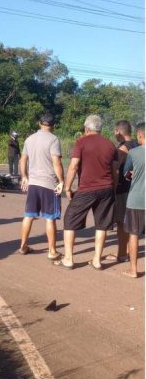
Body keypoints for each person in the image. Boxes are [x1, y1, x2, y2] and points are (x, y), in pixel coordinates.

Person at [57, 115, 120, 269]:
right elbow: (115, 171)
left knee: (70, 221)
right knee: (102, 225)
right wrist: (113, 188)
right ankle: (97, 260)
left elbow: (73, 166)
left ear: (86, 128)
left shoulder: (81, 142)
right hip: (106, 188)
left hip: (86, 189)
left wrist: (67, 187)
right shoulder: (110, 145)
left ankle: (69, 259)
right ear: (100, 129)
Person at [17, 114, 64, 259]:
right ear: (53, 125)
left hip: (34, 183)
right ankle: (52, 251)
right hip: (49, 184)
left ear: (39, 123)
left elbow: (22, 160)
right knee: (50, 218)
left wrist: (25, 177)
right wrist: (61, 181)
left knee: (29, 215)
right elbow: (56, 163)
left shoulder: (29, 139)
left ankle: (23, 246)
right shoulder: (54, 139)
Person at [106, 120, 138, 264]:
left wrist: (111, 188)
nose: (114, 134)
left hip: (122, 190)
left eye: (115, 131)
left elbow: (115, 169)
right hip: (135, 188)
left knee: (121, 223)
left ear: (119, 132)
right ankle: (125, 253)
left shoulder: (123, 149)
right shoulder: (138, 144)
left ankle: (122, 254)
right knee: (131, 223)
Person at [121, 122, 144, 278]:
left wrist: (132, 173)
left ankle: (134, 270)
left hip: (136, 199)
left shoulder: (134, 152)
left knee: (134, 234)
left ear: (140, 135)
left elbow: (125, 173)